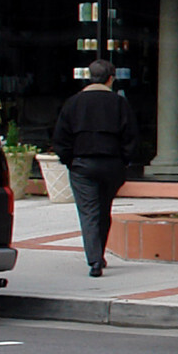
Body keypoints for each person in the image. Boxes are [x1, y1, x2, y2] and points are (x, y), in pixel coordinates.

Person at [51, 59, 137, 278]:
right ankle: (98, 254)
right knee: (103, 209)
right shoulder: (119, 103)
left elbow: (60, 137)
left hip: (82, 164)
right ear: (111, 78)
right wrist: (124, 160)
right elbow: (130, 136)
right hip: (111, 164)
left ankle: (94, 260)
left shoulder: (73, 103)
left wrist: (69, 160)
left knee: (89, 212)